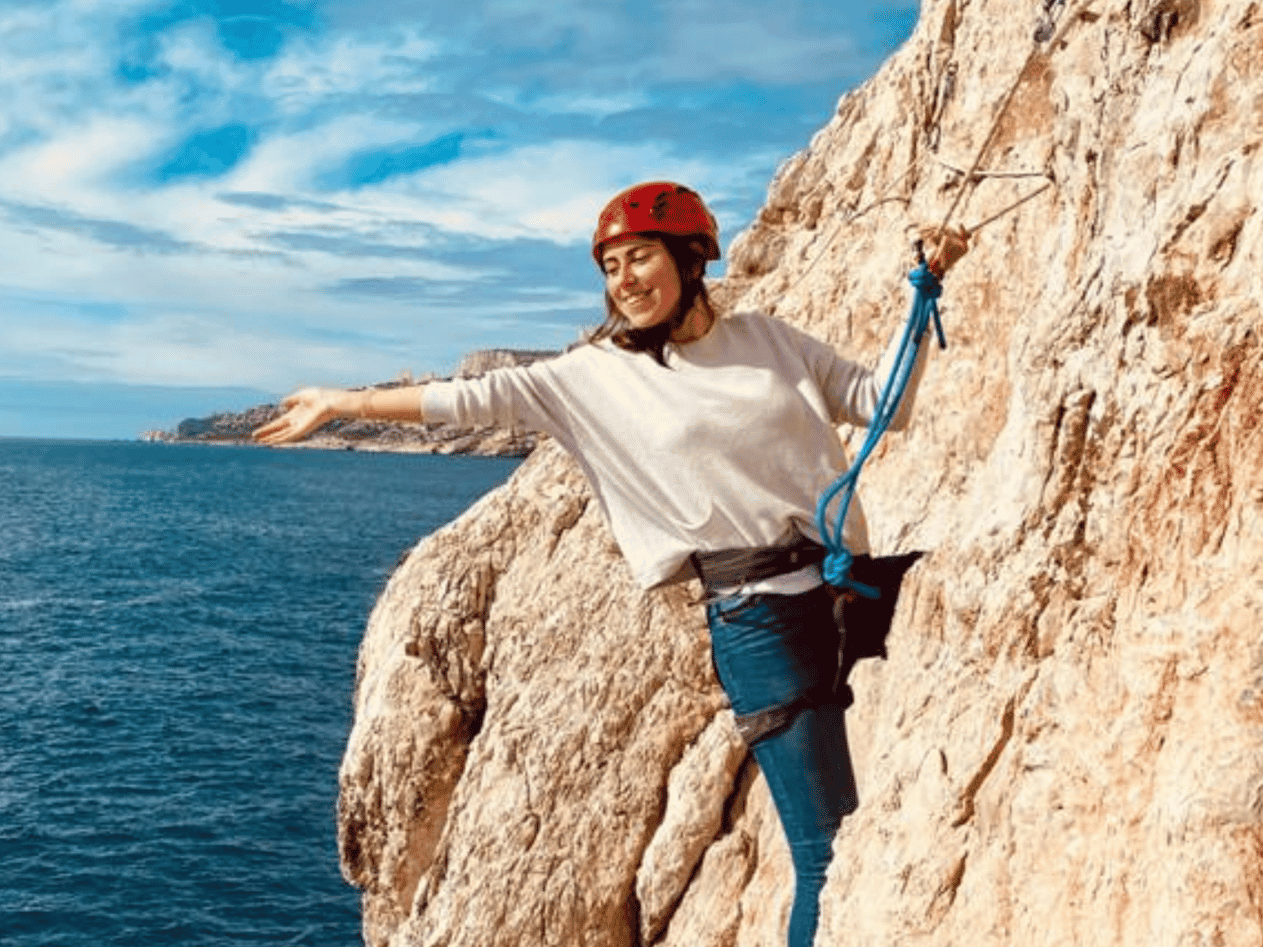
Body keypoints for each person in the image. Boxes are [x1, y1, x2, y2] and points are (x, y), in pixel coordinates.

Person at [255, 181, 967, 947]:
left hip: (842, 586)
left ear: (692, 261)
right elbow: (465, 399)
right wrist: (339, 401)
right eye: (610, 265)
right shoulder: (592, 376)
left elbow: (881, 401)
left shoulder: (769, 339)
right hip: (760, 621)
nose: (622, 279)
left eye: (639, 257)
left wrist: (924, 291)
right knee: (823, 850)